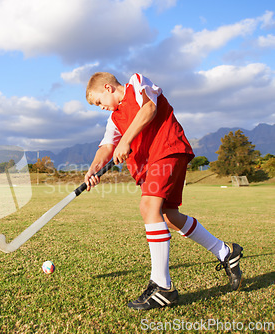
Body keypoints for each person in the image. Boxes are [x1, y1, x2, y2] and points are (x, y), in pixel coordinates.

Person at [84, 72, 243, 310]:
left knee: (148, 207)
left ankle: (162, 287)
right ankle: (226, 251)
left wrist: (126, 140)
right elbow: (107, 146)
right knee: (167, 215)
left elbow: (149, 109)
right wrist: (93, 170)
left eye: (99, 102)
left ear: (107, 88)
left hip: (167, 149)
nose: (101, 108)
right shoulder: (114, 120)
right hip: (152, 164)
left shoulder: (136, 83)